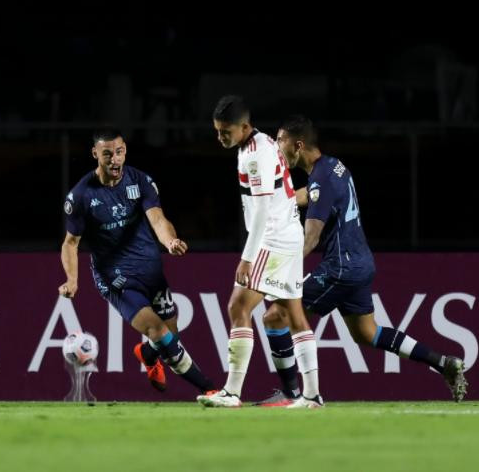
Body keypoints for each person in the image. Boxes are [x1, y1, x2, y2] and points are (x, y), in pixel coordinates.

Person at [257, 115, 467, 406]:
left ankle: (293, 393)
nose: (278, 148)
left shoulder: (321, 177)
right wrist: (284, 202)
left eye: (281, 141)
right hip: (360, 263)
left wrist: (275, 270)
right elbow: (314, 194)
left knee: (274, 316)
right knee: (367, 333)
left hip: (340, 267)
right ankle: (443, 362)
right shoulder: (334, 167)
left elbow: (310, 239)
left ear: (298, 144)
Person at [58, 127, 216, 397]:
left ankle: (146, 353)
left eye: (119, 152)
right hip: (115, 277)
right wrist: (72, 280)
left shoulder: (140, 181)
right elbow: (70, 243)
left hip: (150, 269)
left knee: (170, 334)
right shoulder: (81, 196)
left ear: (125, 151)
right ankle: (210, 388)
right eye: (107, 154)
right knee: (158, 331)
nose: (114, 159)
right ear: (95, 154)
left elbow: (157, 218)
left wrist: (169, 242)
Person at [198, 96, 323, 408]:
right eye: (217, 131)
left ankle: (232, 391)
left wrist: (247, 257)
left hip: (273, 239)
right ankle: (312, 395)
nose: (220, 137)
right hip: (288, 234)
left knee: (238, 305)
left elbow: (263, 210)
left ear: (244, 127)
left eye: (225, 132)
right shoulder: (262, 142)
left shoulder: (254, 156)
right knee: (294, 316)